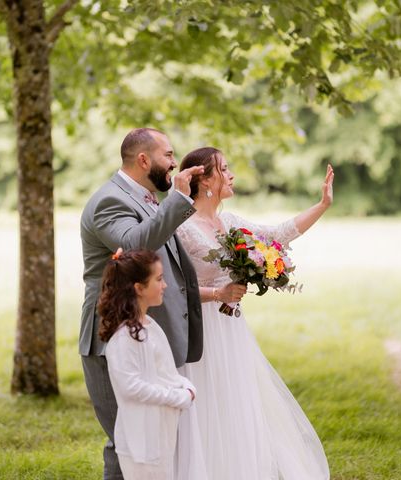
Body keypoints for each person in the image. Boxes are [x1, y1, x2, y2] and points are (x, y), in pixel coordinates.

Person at [175, 147, 334, 480]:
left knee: (240, 407)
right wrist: (216, 293)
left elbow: (276, 235)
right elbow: (175, 287)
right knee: (208, 410)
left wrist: (321, 206)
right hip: (201, 333)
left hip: (232, 330)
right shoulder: (182, 225)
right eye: (225, 168)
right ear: (204, 178)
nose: (231, 175)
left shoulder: (230, 222)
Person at [79, 128, 228, 479]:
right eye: (169, 155)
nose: (175, 163)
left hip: (144, 332)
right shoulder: (109, 201)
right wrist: (178, 198)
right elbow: (135, 247)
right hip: (111, 336)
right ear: (144, 160)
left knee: (153, 439)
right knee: (125, 440)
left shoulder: (147, 199)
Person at [98, 248, 198, 480]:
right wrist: (178, 397)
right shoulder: (125, 337)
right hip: (140, 441)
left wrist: (185, 385)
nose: (165, 286)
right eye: (159, 279)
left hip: (160, 430)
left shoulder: (149, 325)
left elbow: (164, 371)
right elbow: (131, 387)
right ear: (139, 288)